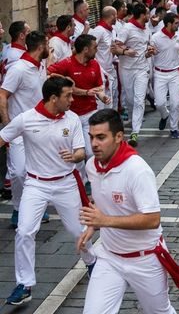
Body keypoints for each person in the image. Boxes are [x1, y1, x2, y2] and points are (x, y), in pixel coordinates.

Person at [78, 109, 179, 314]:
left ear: (119, 137)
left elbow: (152, 219)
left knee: (159, 312)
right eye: (91, 137)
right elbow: (104, 200)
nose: (94, 144)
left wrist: (104, 220)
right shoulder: (92, 166)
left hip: (144, 259)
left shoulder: (137, 170)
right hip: (110, 258)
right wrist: (92, 225)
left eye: (101, 137)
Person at [1, 77, 96, 306]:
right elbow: (3, 137)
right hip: (36, 185)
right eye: (68, 96)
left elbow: (81, 151)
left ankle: (92, 262)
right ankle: (24, 284)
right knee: (24, 231)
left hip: (65, 184)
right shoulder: (26, 120)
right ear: (53, 98)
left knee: (78, 232)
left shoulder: (71, 119)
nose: (72, 100)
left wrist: (75, 156)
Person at [0, 31, 48, 226]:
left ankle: (37, 208)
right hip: (18, 129)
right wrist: (8, 125)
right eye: (46, 44)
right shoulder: (18, 68)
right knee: (19, 172)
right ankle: (19, 208)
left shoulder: (40, 66)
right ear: (40, 47)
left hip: (39, 129)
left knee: (38, 171)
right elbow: (2, 95)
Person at [48, 34, 109, 180]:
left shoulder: (95, 64)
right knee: (75, 152)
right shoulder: (67, 63)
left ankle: (93, 178)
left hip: (90, 113)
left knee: (90, 151)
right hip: (71, 115)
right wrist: (66, 81)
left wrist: (102, 96)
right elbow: (49, 71)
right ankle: (82, 181)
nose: (97, 50)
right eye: (95, 47)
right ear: (86, 49)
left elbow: (98, 88)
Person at [114, 3, 156, 147]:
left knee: (139, 100)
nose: (150, 16)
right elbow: (115, 47)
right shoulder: (127, 29)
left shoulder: (147, 29)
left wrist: (149, 51)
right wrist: (125, 52)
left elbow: (146, 47)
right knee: (131, 100)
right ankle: (134, 119)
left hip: (142, 69)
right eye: (148, 13)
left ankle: (135, 132)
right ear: (142, 15)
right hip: (127, 69)